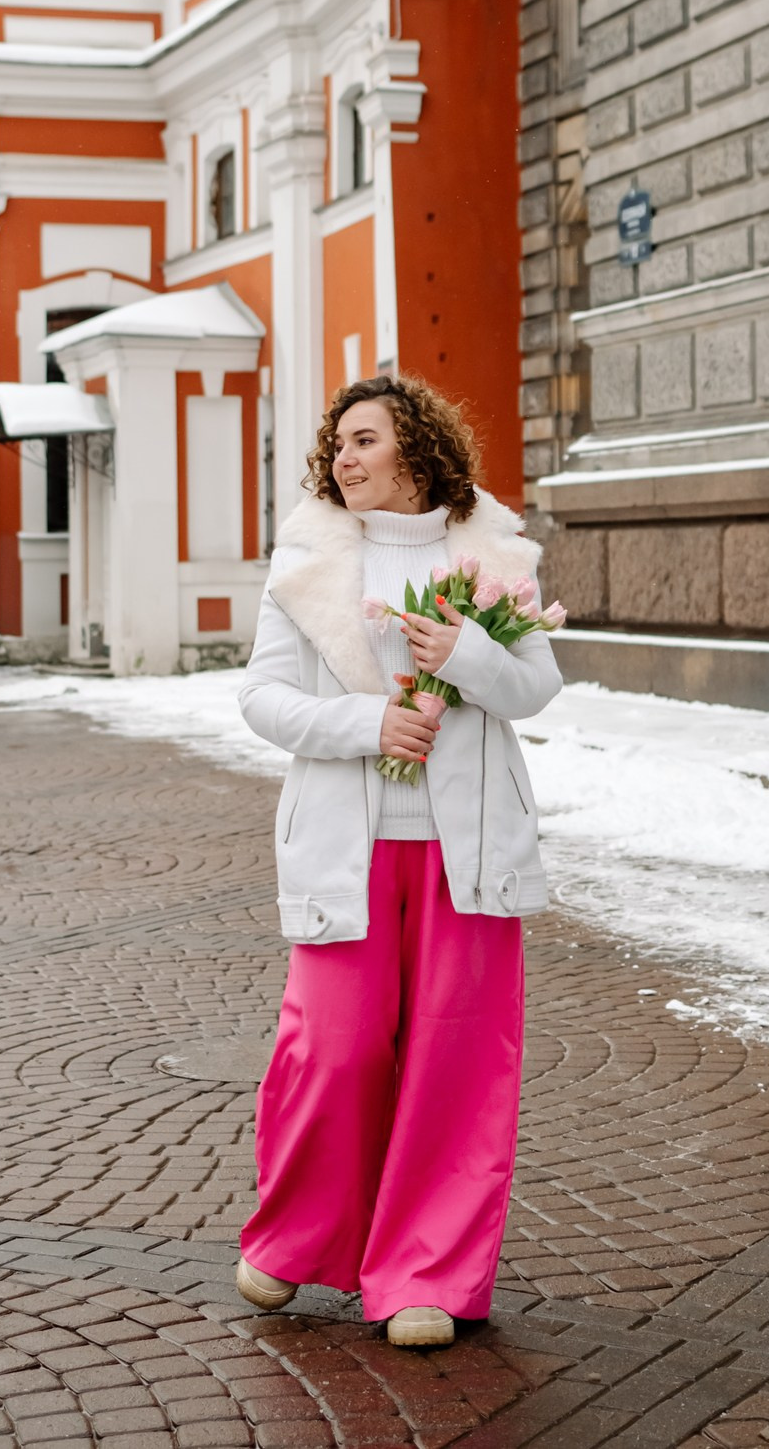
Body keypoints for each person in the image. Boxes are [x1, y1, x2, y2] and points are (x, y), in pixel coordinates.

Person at [234, 373, 563, 1346]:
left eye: (364, 438)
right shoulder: (307, 561)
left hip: (464, 851)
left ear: (416, 450)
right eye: (336, 440)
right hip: (348, 844)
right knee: (328, 1048)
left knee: (454, 1063)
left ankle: (426, 1273)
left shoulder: (491, 556)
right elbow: (261, 699)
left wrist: (465, 652)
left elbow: (532, 688)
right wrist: (365, 720)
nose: (342, 454)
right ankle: (293, 1239)